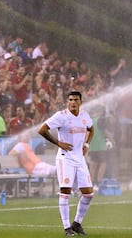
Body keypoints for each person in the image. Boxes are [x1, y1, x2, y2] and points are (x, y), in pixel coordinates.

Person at [38, 91, 94, 237]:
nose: (73, 102)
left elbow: (91, 128)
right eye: (70, 100)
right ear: (67, 102)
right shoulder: (61, 116)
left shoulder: (85, 115)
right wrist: (58, 143)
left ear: (81, 101)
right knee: (65, 193)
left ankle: (77, 224)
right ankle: (67, 227)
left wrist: (87, 144)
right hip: (65, 159)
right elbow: (42, 129)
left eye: (76, 99)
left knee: (89, 194)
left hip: (80, 159)